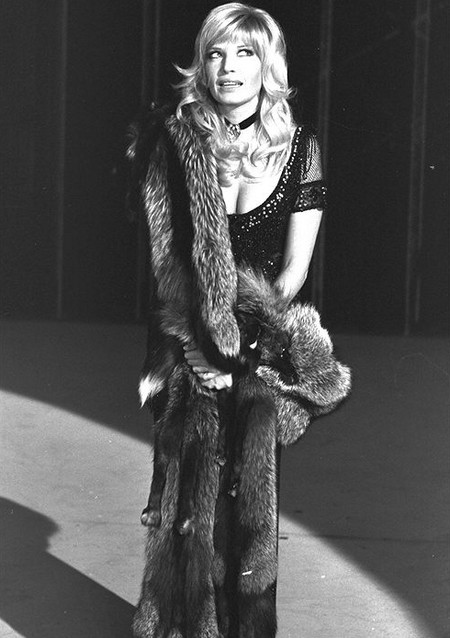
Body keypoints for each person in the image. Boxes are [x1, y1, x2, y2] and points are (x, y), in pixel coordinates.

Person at [129, 4, 349, 637]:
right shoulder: (174, 142)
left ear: (266, 64)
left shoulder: (300, 147)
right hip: (184, 341)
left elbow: (293, 270)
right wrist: (202, 350)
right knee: (185, 505)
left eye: (244, 53)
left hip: (258, 346)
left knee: (249, 504)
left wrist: (243, 352)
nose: (228, 67)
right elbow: (167, 264)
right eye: (216, 53)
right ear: (202, 64)